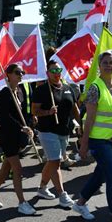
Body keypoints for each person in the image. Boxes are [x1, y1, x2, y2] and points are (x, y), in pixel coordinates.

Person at [72, 51, 112, 222]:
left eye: (111, 62)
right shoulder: (94, 88)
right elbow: (89, 119)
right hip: (99, 140)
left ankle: (80, 202)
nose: (108, 65)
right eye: (104, 62)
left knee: (101, 174)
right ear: (99, 66)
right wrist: (84, 144)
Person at [0, 64, 36, 215]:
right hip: (7, 137)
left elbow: (22, 114)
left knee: (6, 167)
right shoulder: (4, 93)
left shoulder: (19, 91)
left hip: (17, 137)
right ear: (8, 74)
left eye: (22, 72)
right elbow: (4, 117)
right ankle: (22, 202)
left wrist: (29, 126)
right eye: (17, 72)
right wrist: (22, 128)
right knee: (18, 169)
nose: (20, 75)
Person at [32, 60, 81, 208]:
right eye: (53, 71)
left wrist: (82, 126)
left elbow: (75, 109)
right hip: (47, 131)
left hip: (64, 131)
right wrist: (48, 112)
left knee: (52, 161)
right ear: (47, 73)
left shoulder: (68, 88)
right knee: (55, 161)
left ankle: (42, 188)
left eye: (58, 70)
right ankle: (62, 195)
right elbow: (34, 111)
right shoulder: (41, 90)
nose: (56, 73)